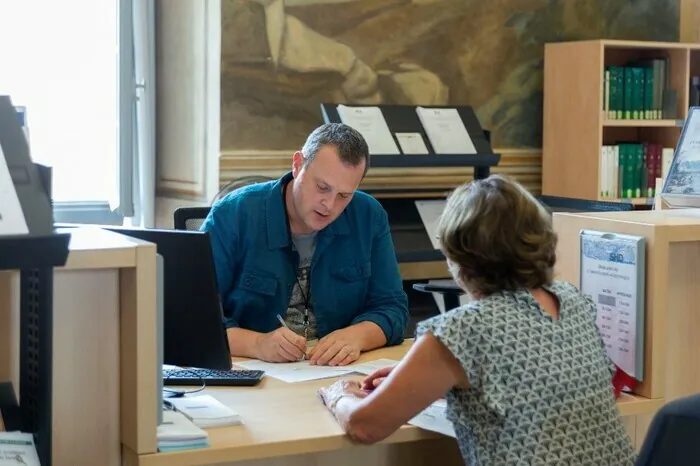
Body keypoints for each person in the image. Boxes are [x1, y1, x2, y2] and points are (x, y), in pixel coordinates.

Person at [318, 175, 636, 465]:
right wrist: (423, 379)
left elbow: (364, 425)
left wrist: (338, 393)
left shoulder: (462, 331)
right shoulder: (572, 301)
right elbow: (533, 380)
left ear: (459, 255)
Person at [200, 123, 409, 366]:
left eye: (344, 195)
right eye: (322, 187)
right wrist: (257, 344)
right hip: (253, 371)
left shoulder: (368, 216)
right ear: (298, 164)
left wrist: (356, 336)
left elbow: (393, 308)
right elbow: (196, 318)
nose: (329, 205)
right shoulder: (233, 214)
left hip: (333, 373)